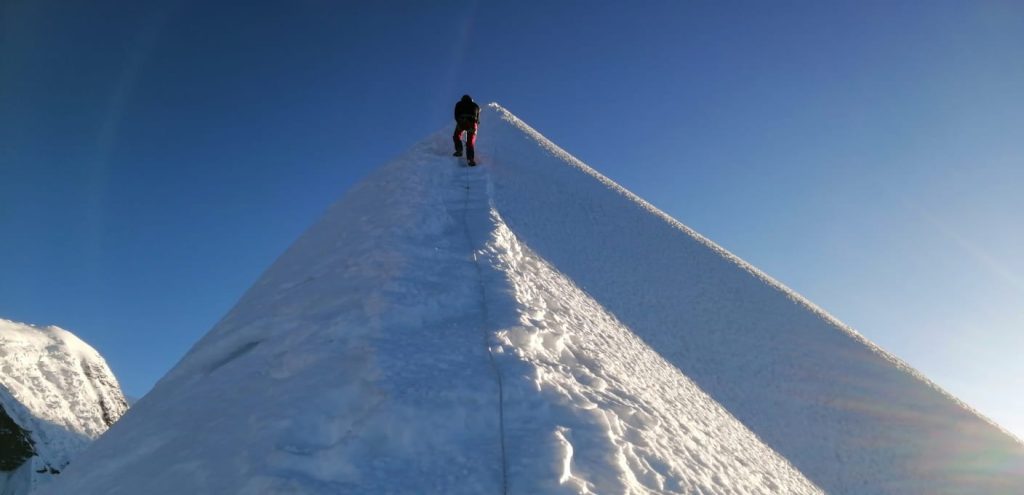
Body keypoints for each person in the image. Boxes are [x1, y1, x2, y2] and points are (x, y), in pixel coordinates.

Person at [452, 94, 480, 166]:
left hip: (462, 121)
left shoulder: (459, 104)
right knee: (470, 142)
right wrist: (476, 124)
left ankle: (459, 150)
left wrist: (459, 121)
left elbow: (456, 114)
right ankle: (471, 160)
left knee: (456, 135)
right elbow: (478, 118)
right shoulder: (476, 105)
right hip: (472, 122)